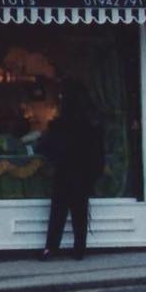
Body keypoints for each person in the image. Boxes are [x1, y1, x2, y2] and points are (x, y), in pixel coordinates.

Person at [40, 81, 105, 261]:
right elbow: (98, 155)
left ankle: (51, 248)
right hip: (82, 174)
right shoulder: (90, 127)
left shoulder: (58, 125)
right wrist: (93, 175)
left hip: (63, 172)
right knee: (80, 212)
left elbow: (45, 147)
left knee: (58, 212)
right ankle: (79, 249)